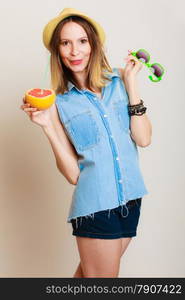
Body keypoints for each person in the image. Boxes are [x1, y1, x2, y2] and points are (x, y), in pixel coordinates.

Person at [20, 8, 152, 278]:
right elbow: (72, 174)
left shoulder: (119, 82)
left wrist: (131, 83)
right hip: (96, 208)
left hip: (132, 199)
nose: (74, 51)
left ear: (93, 44)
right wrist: (47, 126)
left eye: (82, 41)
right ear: (57, 51)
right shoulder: (60, 103)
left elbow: (143, 138)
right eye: (65, 43)